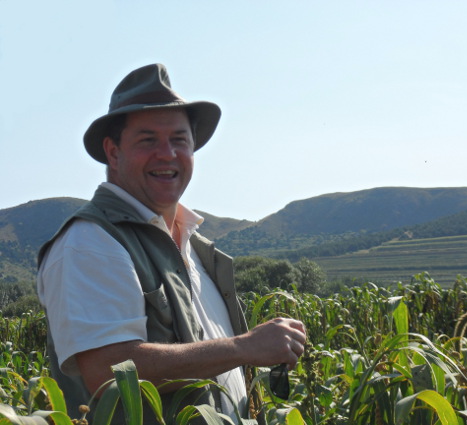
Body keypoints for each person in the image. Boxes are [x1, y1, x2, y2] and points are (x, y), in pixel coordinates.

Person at [37, 63, 307, 425]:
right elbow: (109, 372)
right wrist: (245, 347)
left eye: (179, 140)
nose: (167, 154)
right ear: (113, 152)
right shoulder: (91, 242)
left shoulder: (194, 247)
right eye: (147, 140)